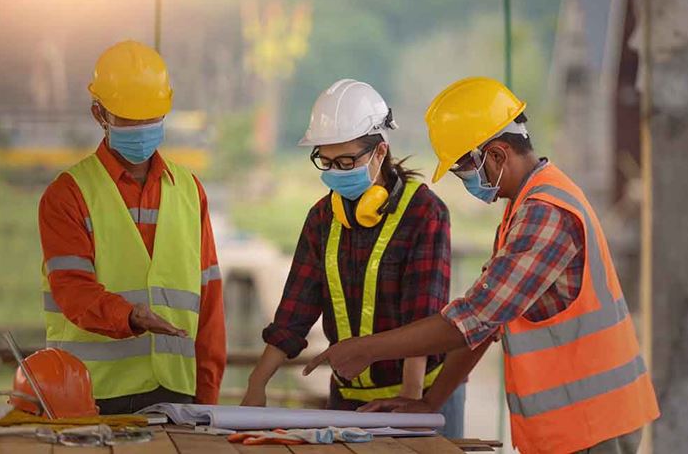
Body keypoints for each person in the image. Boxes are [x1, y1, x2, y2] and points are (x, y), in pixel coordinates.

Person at [305, 77, 660, 453]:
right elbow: (486, 324)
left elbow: (473, 318)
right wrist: (429, 402)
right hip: (576, 425)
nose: (464, 180)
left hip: (592, 423)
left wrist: (368, 349)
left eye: (462, 168)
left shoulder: (546, 212)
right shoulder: (523, 210)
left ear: (496, 155)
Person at [241, 79, 465, 437]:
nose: (335, 172)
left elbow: (424, 318)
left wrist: (410, 407)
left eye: (346, 161)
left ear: (380, 153)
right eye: (325, 161)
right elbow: (294, 313)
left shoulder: (424, 212)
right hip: (347, 397)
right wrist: (257, 384)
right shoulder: (322, 218)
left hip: (422, 395)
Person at [38, 40, 226, 414]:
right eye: (128, 118)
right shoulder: (67, 195)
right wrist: (131, 315)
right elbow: (72, 291)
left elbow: (209, 305)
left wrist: (208, 403)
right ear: (99, 114)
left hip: (176, 395)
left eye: (151, 117)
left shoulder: (190, 190)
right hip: (88, 397)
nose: (141, 128)